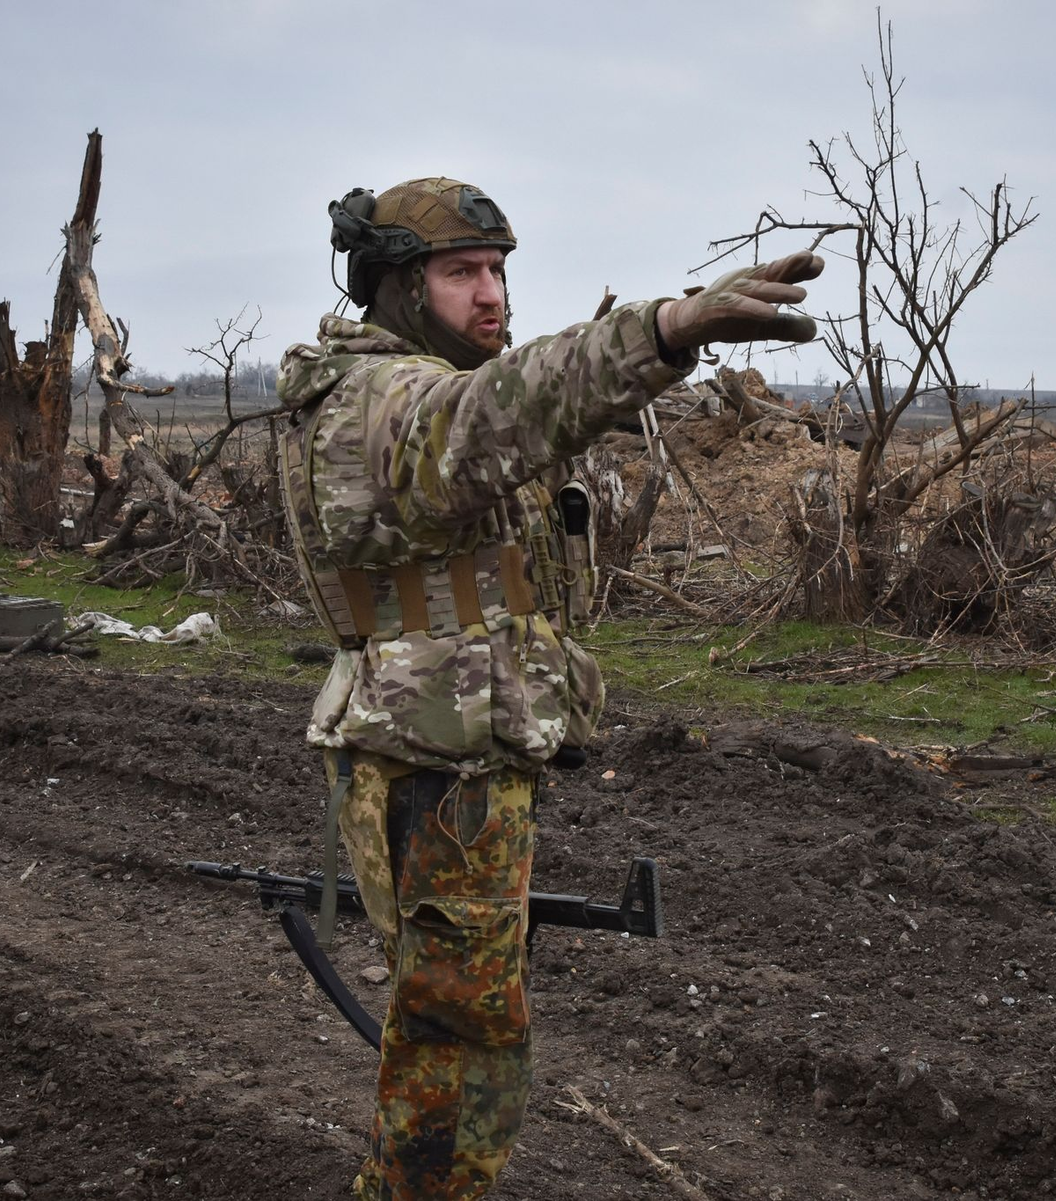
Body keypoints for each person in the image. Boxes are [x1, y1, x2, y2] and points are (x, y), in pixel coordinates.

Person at [276, 176, 823, 1200]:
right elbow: (506, 407)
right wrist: (662, 328)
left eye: (498, 270)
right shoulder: (381, 404)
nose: (491, 294)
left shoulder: (427, 388)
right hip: (431, 773)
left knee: (454, 1034)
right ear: (395, 287)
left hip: (455, 761)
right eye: (460, 273)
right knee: (459, 1052)